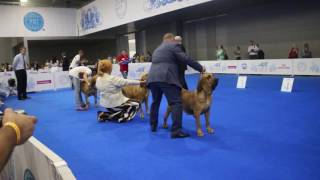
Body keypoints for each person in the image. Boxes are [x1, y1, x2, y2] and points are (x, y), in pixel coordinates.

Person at [147, 33, 205, 138]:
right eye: (174, 40)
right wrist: (200, 68)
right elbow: (186, 58)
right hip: (165, 77)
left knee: (155, 102)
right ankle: (176, 131)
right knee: (176, 103)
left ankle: (153, 125)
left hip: (152, 78)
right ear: (172, 39)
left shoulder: (157, 49)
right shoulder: (173, 46)